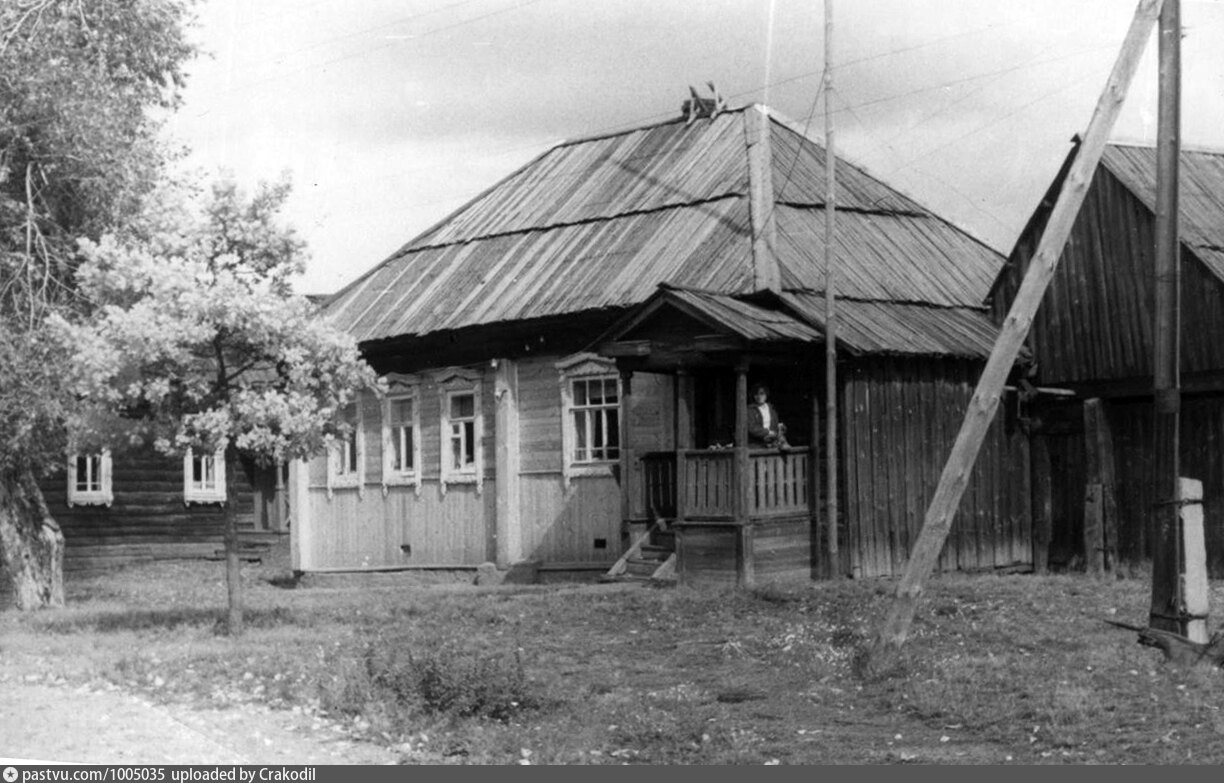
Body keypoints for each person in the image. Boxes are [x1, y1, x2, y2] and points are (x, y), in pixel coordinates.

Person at [747, 384, 789, 449]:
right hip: (757, 443)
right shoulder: (750, 410)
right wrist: (767, 432)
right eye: (756, 394)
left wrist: (779, 427)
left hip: (772, 440)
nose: (759, 396)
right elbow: (752, 428)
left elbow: (775, 424)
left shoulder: (772, 408)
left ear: (766, 394)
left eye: (762, 394)